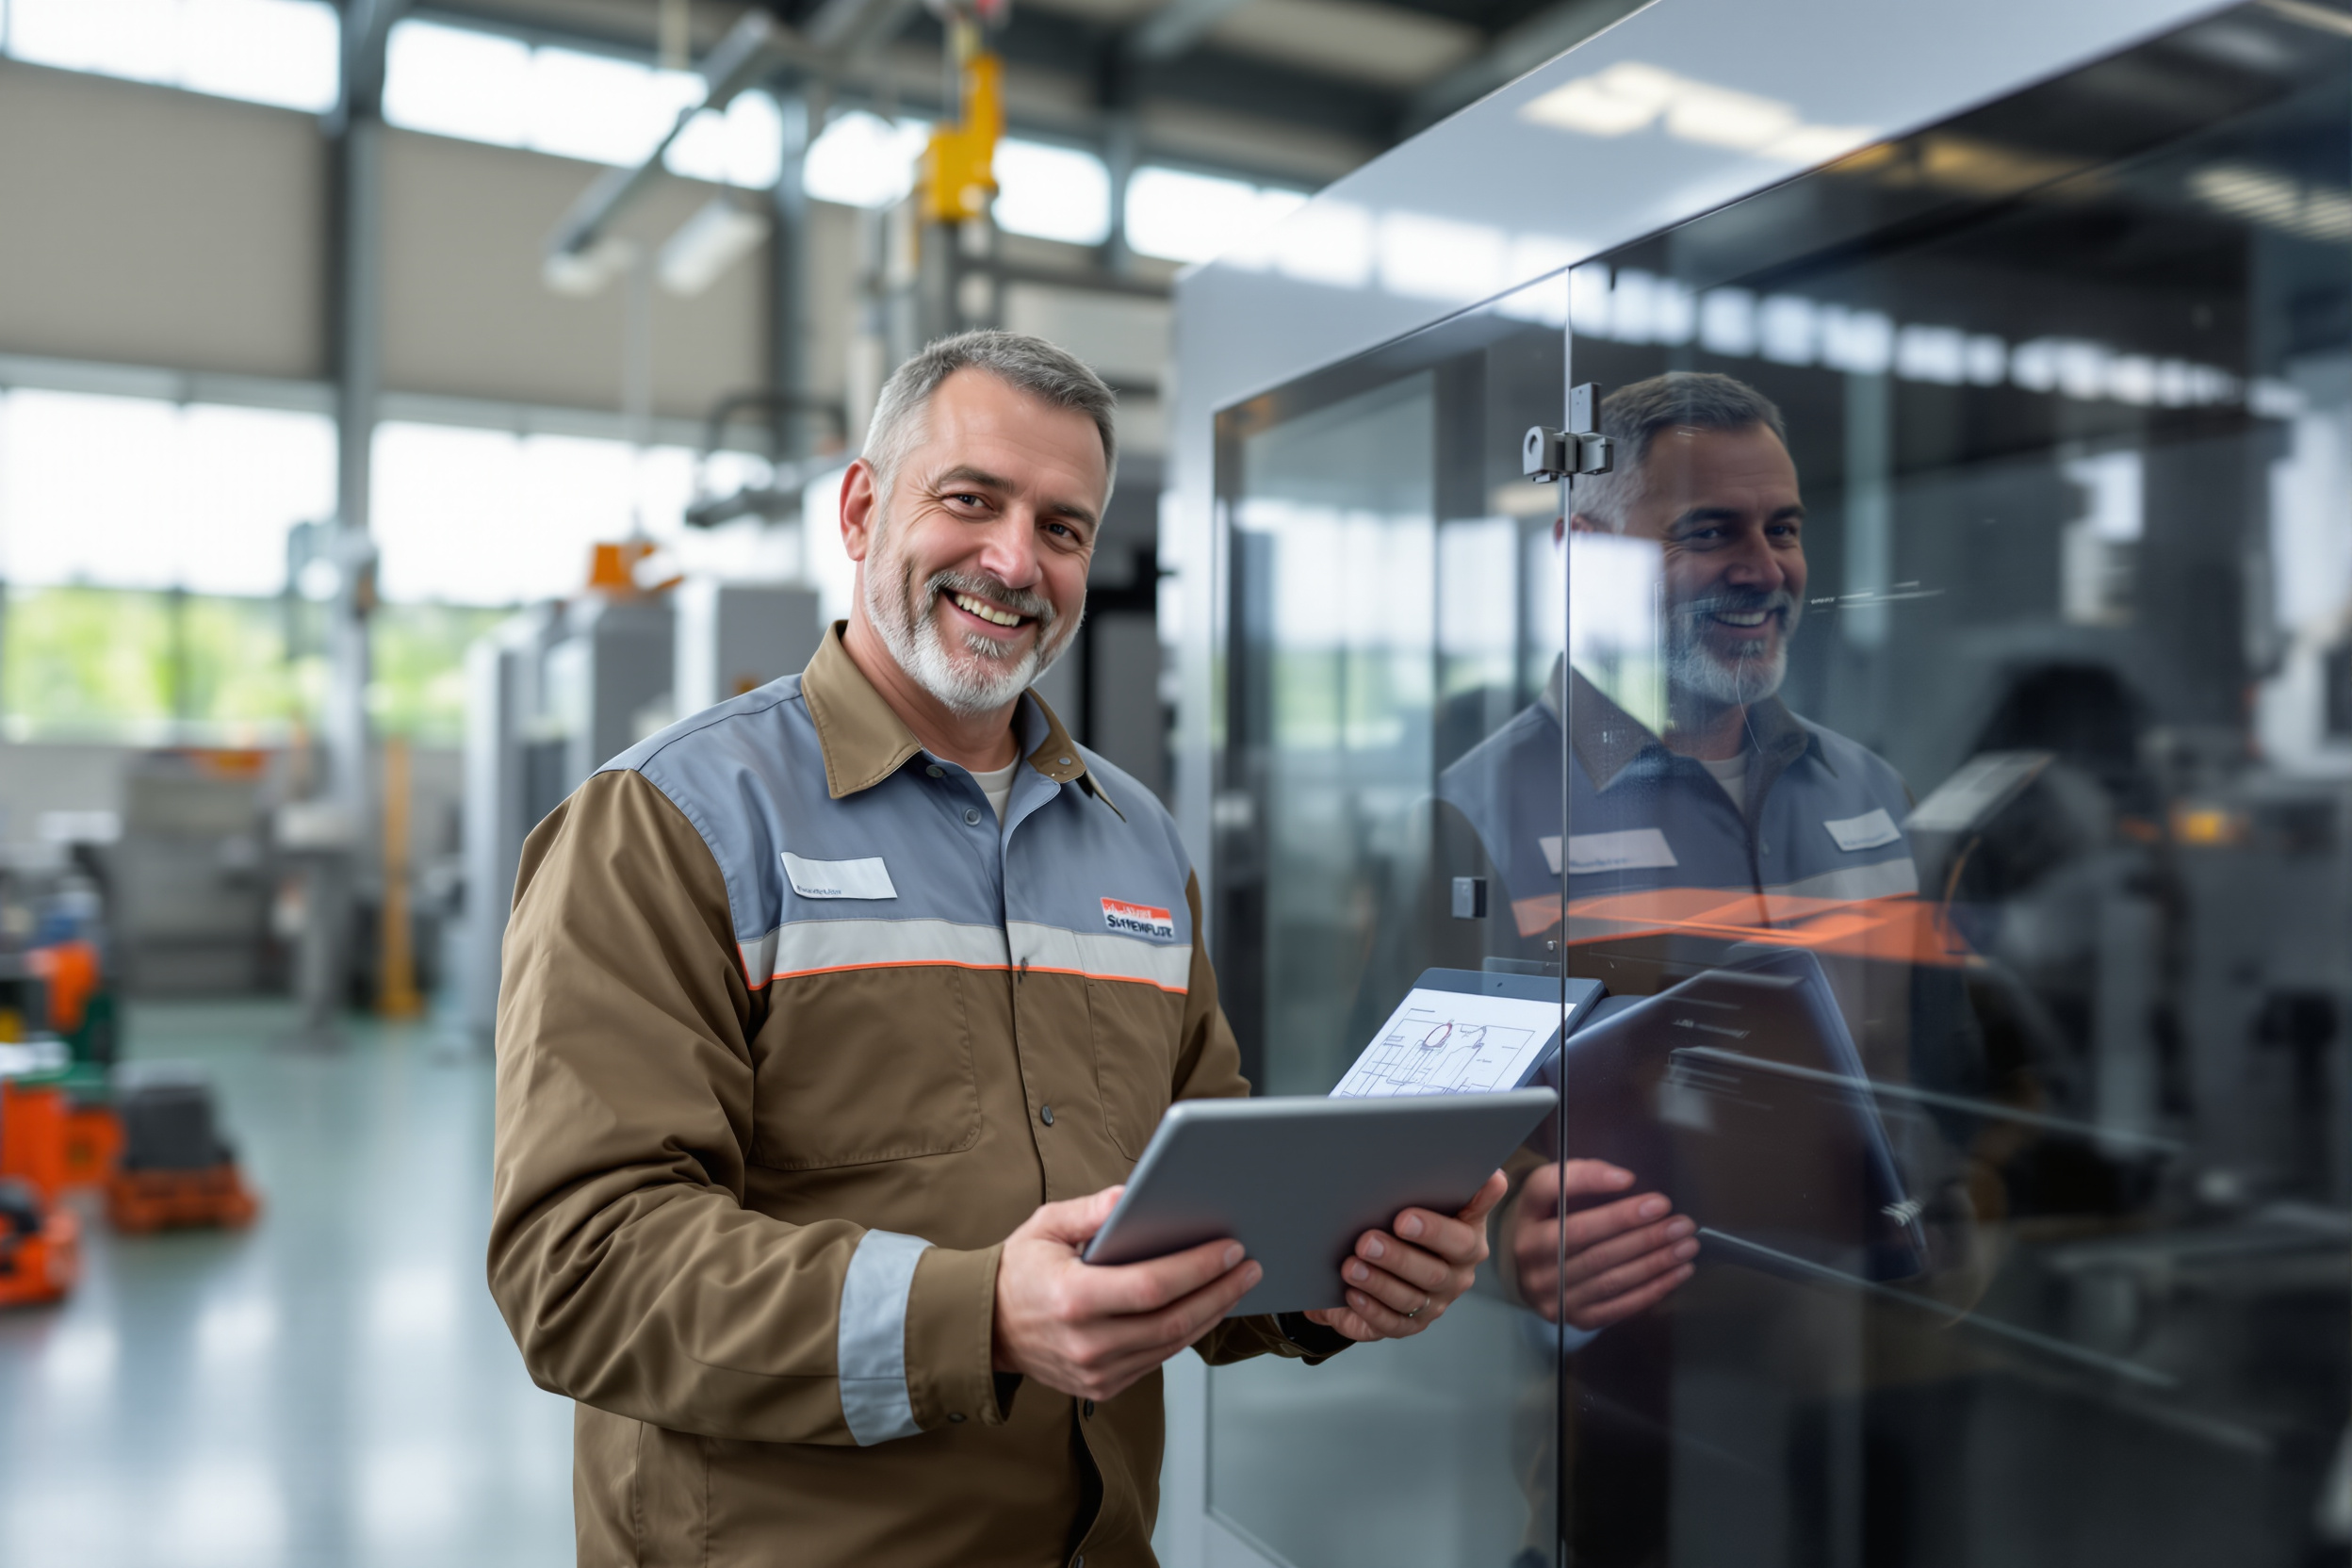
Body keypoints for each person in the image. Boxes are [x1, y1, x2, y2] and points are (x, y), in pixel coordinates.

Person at [486, 330, 1503, 1568]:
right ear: (861, 511)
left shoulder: (1133, 839)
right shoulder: (669, 824)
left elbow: (1193, 1198)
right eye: (971, 500)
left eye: (1062, 528)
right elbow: (582, 1266)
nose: (1016, 562)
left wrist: (1336, 1274)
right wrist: (980, 1319)